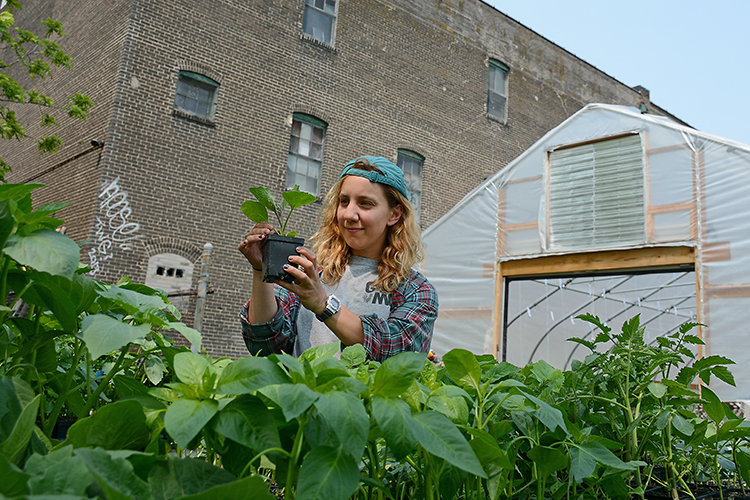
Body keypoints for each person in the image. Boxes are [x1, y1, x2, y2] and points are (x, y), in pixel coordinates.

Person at [238, 155, 438, 362]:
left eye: (365, 203)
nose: (349, 214)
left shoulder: (414, 290)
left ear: (394, 214)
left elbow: (398, 351)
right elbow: (265, 343)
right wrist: (261, 271)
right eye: (344, 202)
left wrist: (323, 304)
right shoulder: (313, 273)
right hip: (299, 392)